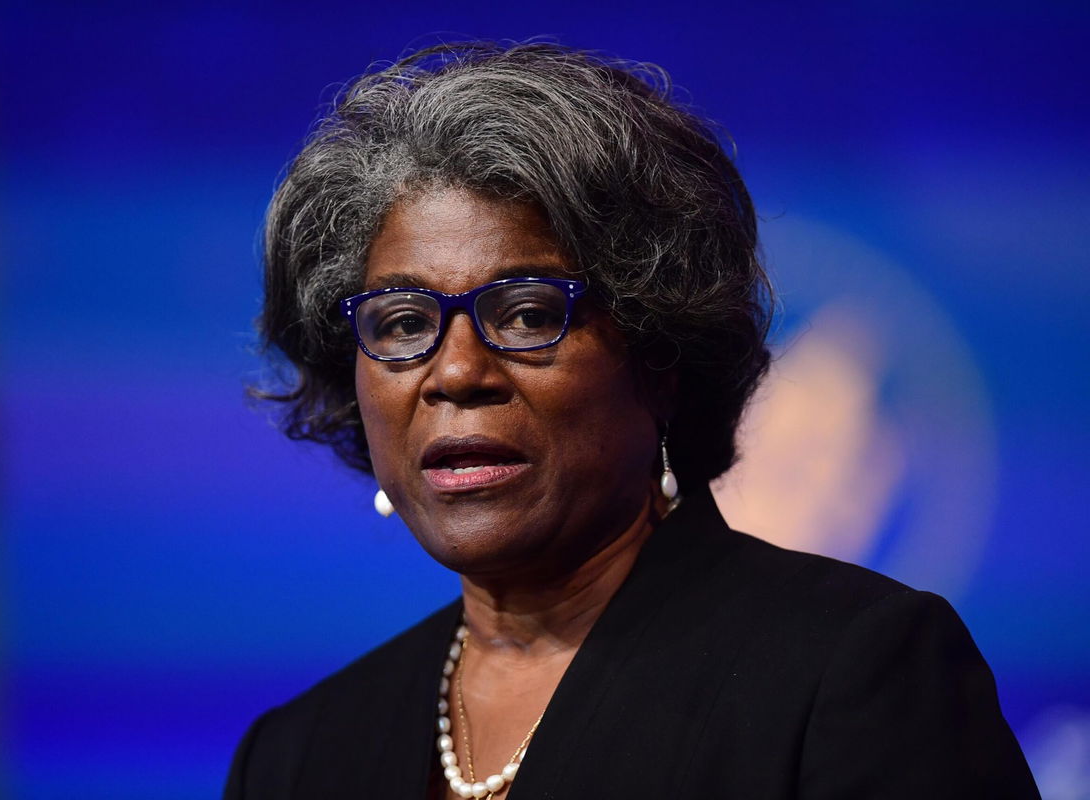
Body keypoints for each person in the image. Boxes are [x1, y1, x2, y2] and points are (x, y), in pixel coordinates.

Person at [224, 42, 1039, 799]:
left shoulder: (851, 673)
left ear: (660, 351)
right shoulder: (298, 757)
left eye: (527, 312)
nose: (458, 372)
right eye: (402, 323)